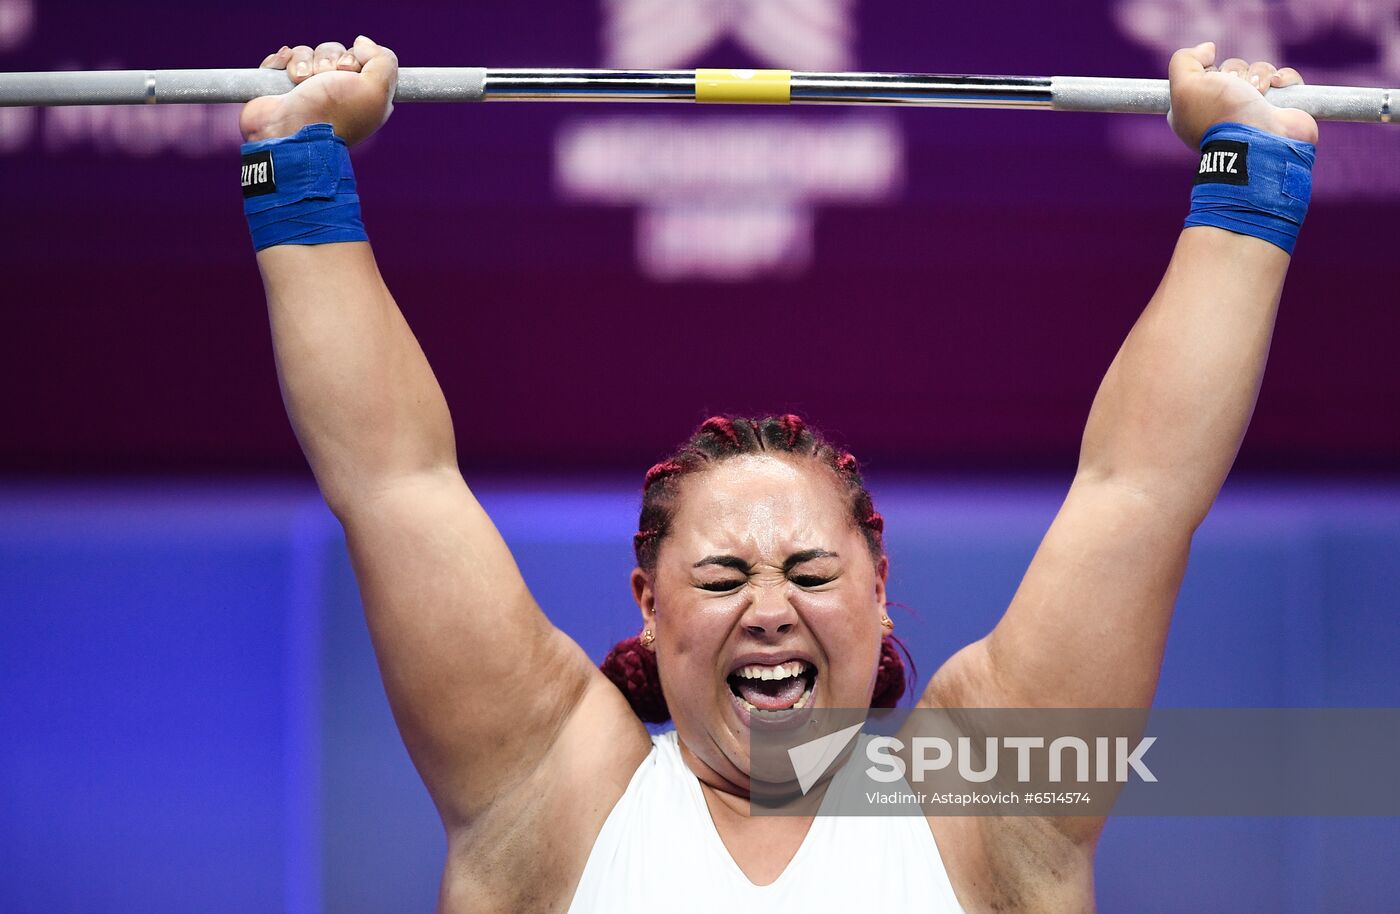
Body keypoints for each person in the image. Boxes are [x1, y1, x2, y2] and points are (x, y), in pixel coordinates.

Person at [239, 36, 1318, 912]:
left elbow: (1138, 490)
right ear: (649, 608)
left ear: (878, 584)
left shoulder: (977, 807)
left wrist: (1249, 163)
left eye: (808, 569)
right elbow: (394, 482)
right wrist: (295, 164)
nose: (767, 609)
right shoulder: (554, 795)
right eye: (719, 580)